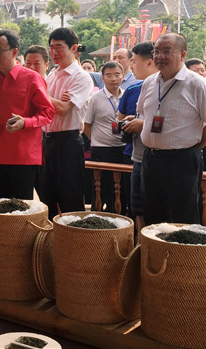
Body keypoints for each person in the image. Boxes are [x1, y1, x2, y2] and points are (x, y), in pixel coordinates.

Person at [0, 30, 54, 200]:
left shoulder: (32, 79)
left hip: (23, 157)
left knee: (21, 210)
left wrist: (25, 122)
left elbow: (48, 113)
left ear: (15, 52)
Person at [137, 33, 206, 225]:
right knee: (153, 214)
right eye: (156, 51)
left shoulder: (197, 84)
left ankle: (183, 256)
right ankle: (157, 255)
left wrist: (195, 146)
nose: (159, 56)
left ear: (183, 54)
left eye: (166, 51)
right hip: (151, 158)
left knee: (183, 216)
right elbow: (143, 113)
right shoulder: (149, 82)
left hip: (182, 160)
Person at [41, 28, 93, 219]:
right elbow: (46, 107)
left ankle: (75, 246)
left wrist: (45, 96)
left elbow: (63, 109)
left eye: (59, 47)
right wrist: (53, 100)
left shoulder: (81, 76)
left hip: (68, 142)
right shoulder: (52, 74)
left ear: (73, 48)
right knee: (47, 196)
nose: (54, 52)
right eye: (51, 47)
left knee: (70, 197)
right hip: (47, 140)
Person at [117, 41, 157, 233]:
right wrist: (137, 120)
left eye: (134, 61)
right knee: (137, 208)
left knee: (158, 211)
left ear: (149, 62)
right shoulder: (138, 88)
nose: (131, 66)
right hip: (138, 156)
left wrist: (143, 124)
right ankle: (141, 249)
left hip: (163, 158)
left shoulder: (170, 85)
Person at [83, 61, 126, 213]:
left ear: (123, 76)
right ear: (102, 78)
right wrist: (95, 140)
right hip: (101, 149)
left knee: (120, 189)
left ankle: (118, 217)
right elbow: (86, 124)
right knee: (100, 188)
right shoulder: (95, 98)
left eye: (117, 75)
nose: (113, 78)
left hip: (122, 149)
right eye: (108, 75)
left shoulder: (126, 95)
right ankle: (97, 217)